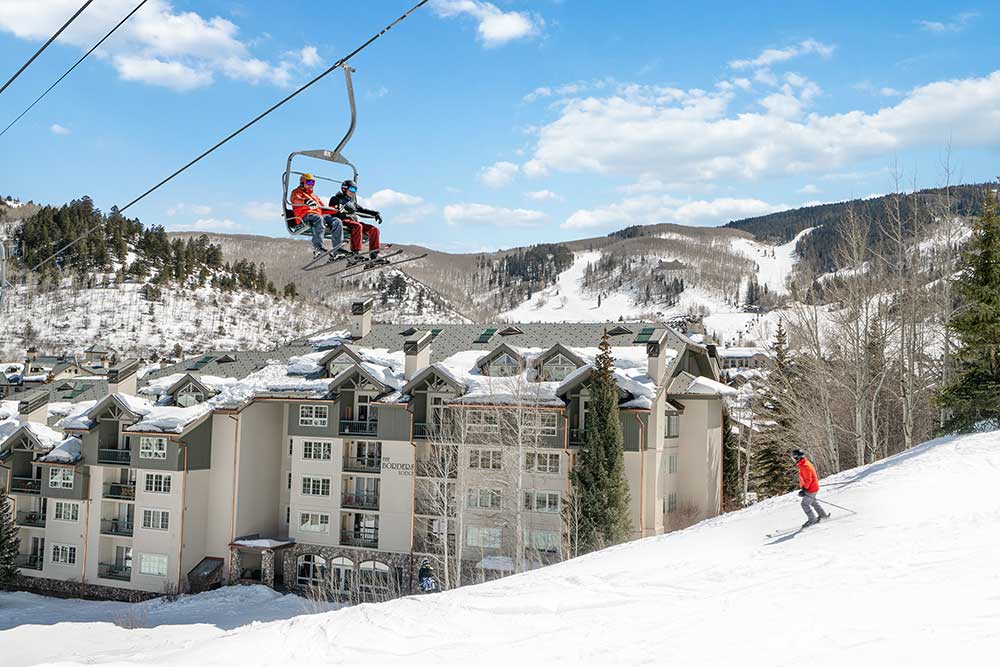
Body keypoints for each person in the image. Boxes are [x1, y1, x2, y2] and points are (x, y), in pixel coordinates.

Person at [328, 179, 385, 262]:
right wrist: (341, 209)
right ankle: (355, 252)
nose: (353, 192)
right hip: (343, 221)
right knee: (358, 226)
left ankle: (374, 254)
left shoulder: (352, 202)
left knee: (374, 230)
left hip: (353, 222)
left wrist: (376, 213)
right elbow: (332, 210)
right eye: (351, 189)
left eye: (355, 190)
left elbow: (362, 210)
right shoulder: (336, 199)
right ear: (344, 188)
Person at [290, 173, 344, 258]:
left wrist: (336, 209)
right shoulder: (296, 192)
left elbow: (323, 208)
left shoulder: (314, 196)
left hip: (318, 215)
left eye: (313, 183)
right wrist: (306, 201)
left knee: (337, 221)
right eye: (309, 182)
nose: (311, 185)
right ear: (302, 183)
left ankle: (337, 249)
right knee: (318, 218)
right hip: (305, 216)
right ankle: (318, 247)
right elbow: (296, 199)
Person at [794, 448, 830, 528]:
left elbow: (808, 479)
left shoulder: (804, 466)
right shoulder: (804, 464)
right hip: (812, 487)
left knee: (804, 504)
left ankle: (812, 520)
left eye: (794, 457)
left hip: (811, 488)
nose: (793, 459)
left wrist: (804, 489)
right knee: (813, 502)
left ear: (797, 457)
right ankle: (823, 516)